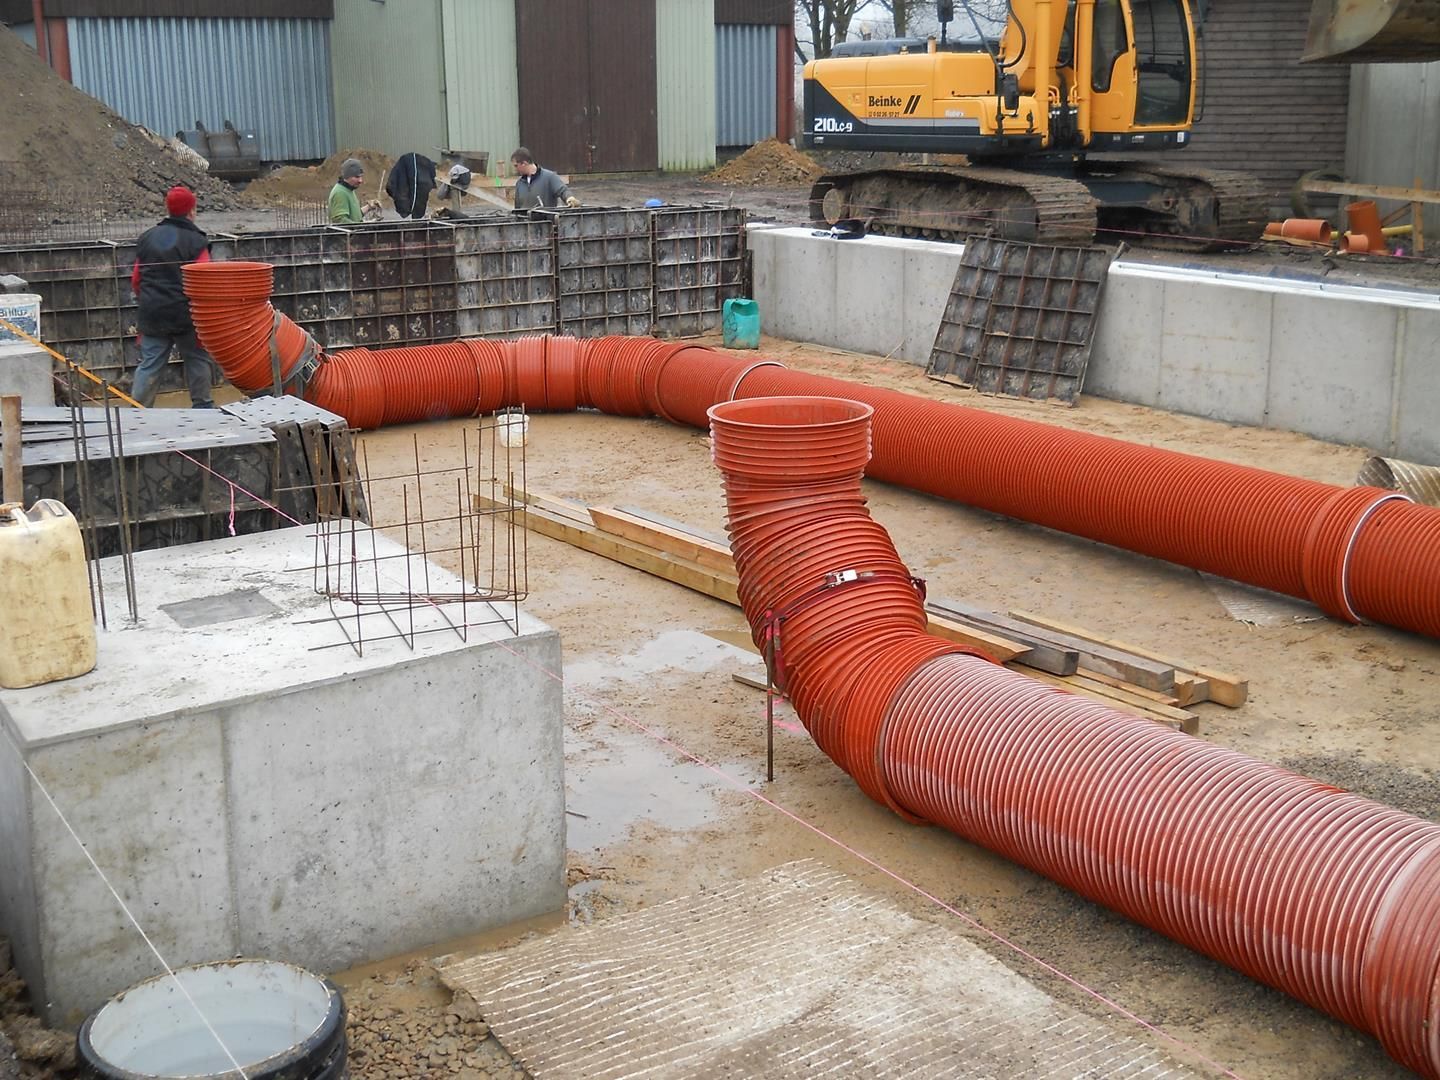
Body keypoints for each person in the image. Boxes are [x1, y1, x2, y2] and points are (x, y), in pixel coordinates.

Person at [129, 185, 218, 409]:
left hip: (153, 312)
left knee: (150, 364)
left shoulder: (147, 238)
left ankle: (139, 410)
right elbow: (203, 279)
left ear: (168, 209)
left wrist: (150, 299)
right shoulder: (196, 240)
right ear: (191, 210)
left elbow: (136, 279)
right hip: (186, 314)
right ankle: (203, 407)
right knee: (197, 359)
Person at [510, 147, 580, 210]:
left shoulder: (549, 177)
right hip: (526, 223)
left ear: (524, 163)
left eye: (516, 166)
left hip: (546, 223)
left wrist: (570, 198)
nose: (515, 169)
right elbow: (518, 210)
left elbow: (563, 190)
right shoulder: (520, 183)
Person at [385, 153, 438, 219]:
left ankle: (414, 219)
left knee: (415, 203)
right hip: (418, 177)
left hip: (417, 178)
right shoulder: (404, 169)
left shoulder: (404, 169)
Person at [329, 157, 366, 223]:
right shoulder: (340, 193)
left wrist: (369, 207)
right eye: (357, 177)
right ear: (347, 176)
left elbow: (355, 216)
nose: (360, 180)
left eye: (361, 176)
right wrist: (361, 227)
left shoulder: (349, 190)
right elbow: (340, 220)